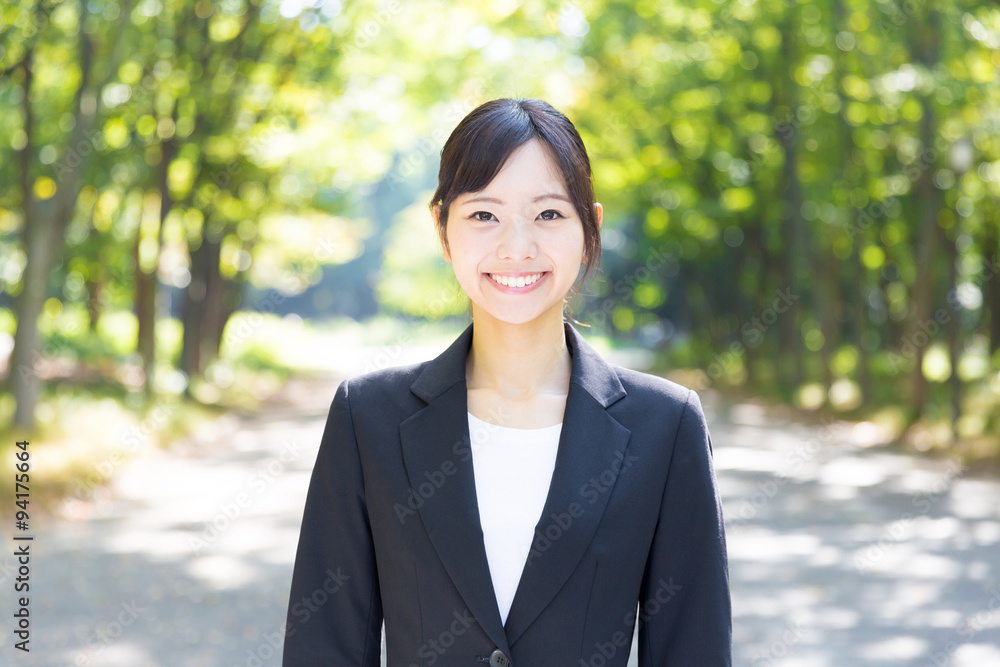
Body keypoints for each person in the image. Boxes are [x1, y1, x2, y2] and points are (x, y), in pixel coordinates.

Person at [281, 97, 731, 666]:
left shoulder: (664, 427)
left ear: (590, 228)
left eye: (548, 214)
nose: (517, 247)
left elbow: (694, 650)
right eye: (484, 215)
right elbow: (324, 648)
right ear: (443, 229)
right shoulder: (368, 418)